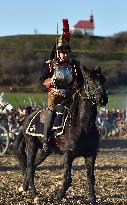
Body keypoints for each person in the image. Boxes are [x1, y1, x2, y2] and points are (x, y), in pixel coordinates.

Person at [39, 19, 84, 152]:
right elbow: (42, 79)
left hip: (70, 94)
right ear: (58, 53)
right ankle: (46, 140)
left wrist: (77, 88)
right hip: (55, 94)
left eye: (67, 52)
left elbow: (80, 80)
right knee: (52, 112)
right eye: (63, 52)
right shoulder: (51, 64)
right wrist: (50, 81)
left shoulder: (74, 65)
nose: (65, 55)